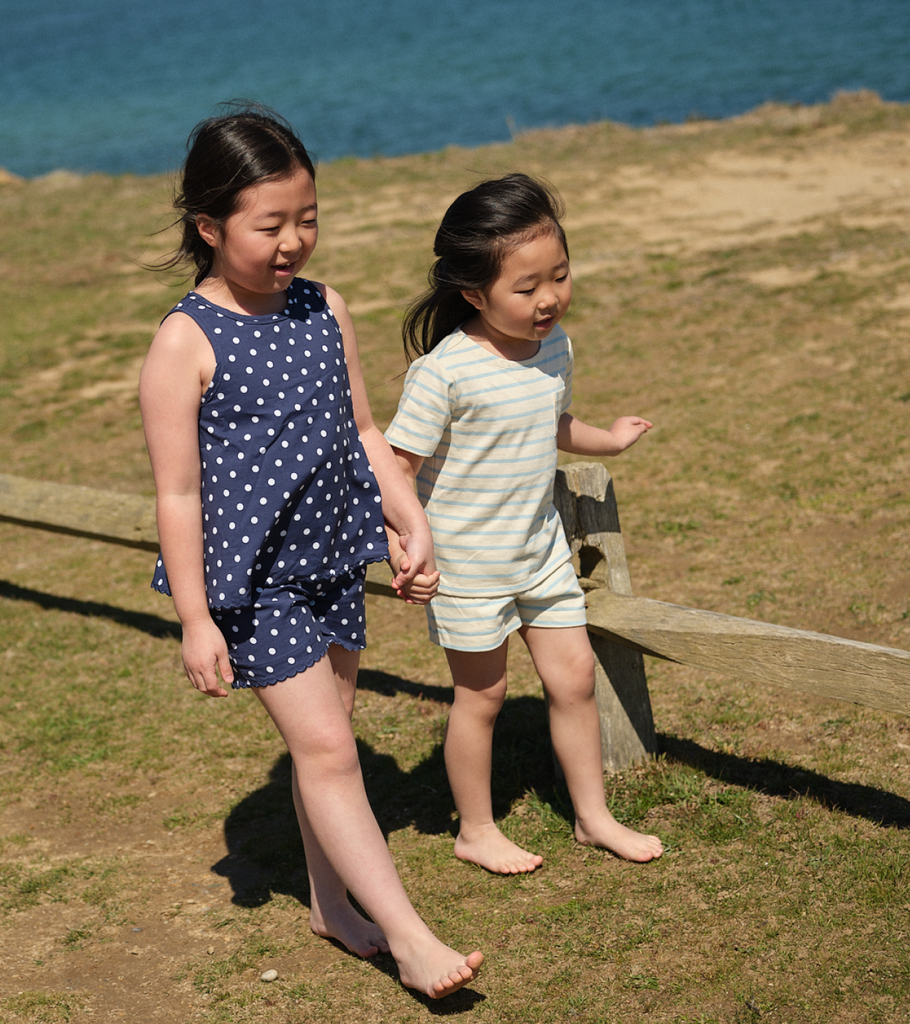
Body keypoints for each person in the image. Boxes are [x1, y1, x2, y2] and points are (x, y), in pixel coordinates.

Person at [138, 104, 482, 998]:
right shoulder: (184, 342)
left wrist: (410, 517)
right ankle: (408, 936)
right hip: (249, 586)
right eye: (269, 225)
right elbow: (176, 495)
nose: (294, 241)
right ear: (210, 226)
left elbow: (365, 430)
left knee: (324, 744)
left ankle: (331, 903)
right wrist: (193, 616)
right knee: (330, 748)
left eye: (307, 218)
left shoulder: (326, 308)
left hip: (332, 555)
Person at [385, 173, 664, 875]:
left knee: (573, 680)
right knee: (483, 697)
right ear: (473, 294)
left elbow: (551, 420)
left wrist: (608, 438)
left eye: (560, 276)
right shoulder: (444, 373)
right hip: (466, 568)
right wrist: (404, 544)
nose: (548, 298)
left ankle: (593, 817)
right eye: (527, 286)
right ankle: (475, 829)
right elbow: (395, 464)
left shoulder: (554, 347)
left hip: (540, 552)